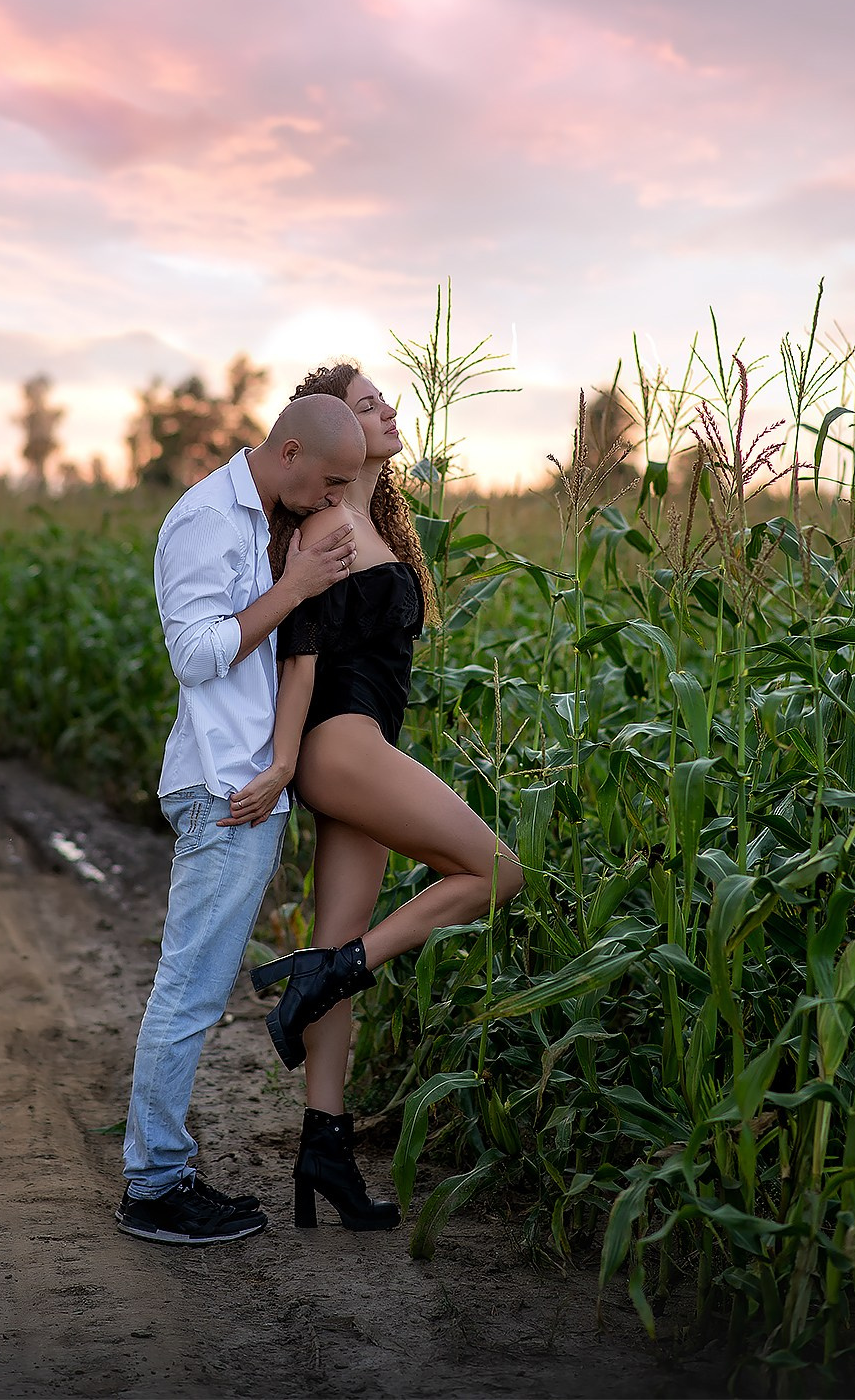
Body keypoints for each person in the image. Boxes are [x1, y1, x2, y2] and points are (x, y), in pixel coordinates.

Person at [251, 364, 525, 1232]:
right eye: (367, 405)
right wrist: (290, 761)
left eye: (382, 401)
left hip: (362, 750)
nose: (387, 411)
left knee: (337, 945)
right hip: (342, 745)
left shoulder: (372, 521)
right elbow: (300, 649)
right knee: (495, 871)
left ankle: (322, 1146)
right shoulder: (326, 527)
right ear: (331, 424)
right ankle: (328, 973)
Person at [118, 393, 367, 1246]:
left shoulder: (263, 520)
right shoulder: (206, 521)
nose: (335, 497)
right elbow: (192, 655)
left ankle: (163, 1173)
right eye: (330, 480)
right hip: (225, 791)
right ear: (289, 450)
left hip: (246, 786)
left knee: (192, 987)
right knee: (187, 992)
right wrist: (296, 584)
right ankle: (152, 1187)